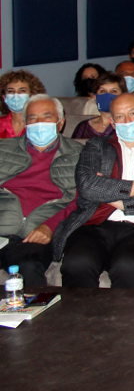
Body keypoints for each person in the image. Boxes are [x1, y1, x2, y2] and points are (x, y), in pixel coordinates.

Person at [54, 93, 134, 288]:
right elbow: (87, 187)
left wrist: (118, 200)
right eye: (120, 117)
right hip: (95, 224)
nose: (127, 121)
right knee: (77, 264)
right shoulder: (96, 147)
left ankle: (125, 319)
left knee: (126, 267)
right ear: (112, 122)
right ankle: (80, 319)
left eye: (133, 113)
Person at [0, 95, 82, 288]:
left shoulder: (80, 154)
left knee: (28, 266)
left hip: (37, 233)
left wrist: (50, 226)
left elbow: (81, 200)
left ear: (60, 123)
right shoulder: (3, 149)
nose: (39, 123)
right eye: (32, 118)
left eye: (46, 117)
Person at [74, 73, 124, 139]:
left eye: (113, 91)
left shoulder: (127, 125)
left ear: (123, 96)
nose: (107, 95)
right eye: (102, 91)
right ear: (95, 97)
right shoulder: (83, 127)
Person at [0, 70, 46, 139]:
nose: (16, 95)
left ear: (32, 95)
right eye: (11, 91)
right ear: (4, 97)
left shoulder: (40, 124)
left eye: (22, 91)